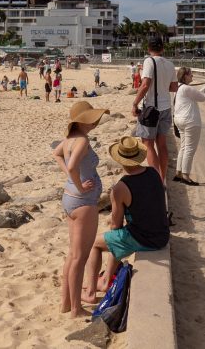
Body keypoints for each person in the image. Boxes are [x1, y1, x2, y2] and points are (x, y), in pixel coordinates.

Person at [83, 136, 169, 303]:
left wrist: (113, 233)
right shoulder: (153, 172)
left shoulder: (120, 188)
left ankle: (91, 292)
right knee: (115, 238)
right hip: (161, 234)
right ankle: (106, 280)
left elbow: (116, 224)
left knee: (95, 244)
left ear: (120, 160)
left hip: (144, 239)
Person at [53, 101, 110, 318]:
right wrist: (79, 184)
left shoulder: (69, 139)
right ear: (85, 120)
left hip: (70, 199)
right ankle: (76, 309)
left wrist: (72, 180)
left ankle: (66, 303)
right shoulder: (82, 141)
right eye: (94, 118)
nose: (96, 121)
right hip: (83, 202)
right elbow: (72, 166)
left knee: (72, 255)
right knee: (80, 257)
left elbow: (57, 155)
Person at [132, 37, 178, 183]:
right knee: (162, 144)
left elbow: (145, 84)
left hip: (152, 109)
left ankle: (156, 181)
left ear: (148, 49)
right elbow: (174, 87)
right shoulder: (170, 64)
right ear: (162, 49)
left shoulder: (149, 61)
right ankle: (162, 178)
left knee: (148, 144)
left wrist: (135, 103)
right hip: (166, 108)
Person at [173, 68, 205, 185]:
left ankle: (179, 173)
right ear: (185, 77)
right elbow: (203, 97)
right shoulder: (186, 88)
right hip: (190, 122)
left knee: (183, 147)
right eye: (190, 74)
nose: (192, 76)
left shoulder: (179, 87)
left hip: (180, 120)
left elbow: (197, 94)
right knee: (189, 149)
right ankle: (186, 176)